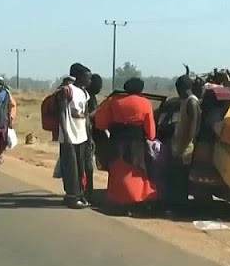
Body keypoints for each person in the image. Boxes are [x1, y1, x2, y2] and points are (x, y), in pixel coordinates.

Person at [94, 77, 158, 215]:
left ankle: (117, 201)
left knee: (117, 172)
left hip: (116, 142)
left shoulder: (114, 101)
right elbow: (151, 132)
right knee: (136, 173)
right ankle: (136, 201)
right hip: (136, 145)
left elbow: (100, 123)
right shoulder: (145, 103)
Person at [58, 63, 93, 209]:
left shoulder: (85, 93)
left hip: (82, 136)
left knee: (80, 167)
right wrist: (65, 134)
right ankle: (72, 197)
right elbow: (60, 112)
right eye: (87, 77)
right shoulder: (66, 91)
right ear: (79, 77)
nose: (89, 81)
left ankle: (77, 195)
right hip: (69, 136)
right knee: (70, 167)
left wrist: (89, 136)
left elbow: (85, 116)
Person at [166, 73, 201, 212]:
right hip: (181, 145)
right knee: (177, 176)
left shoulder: (192, 102)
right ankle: (178, 205)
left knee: (180, 178)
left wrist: (183, 148)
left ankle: (180, 207)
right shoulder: (186, 101)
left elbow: (192, 128)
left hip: (186, 147)